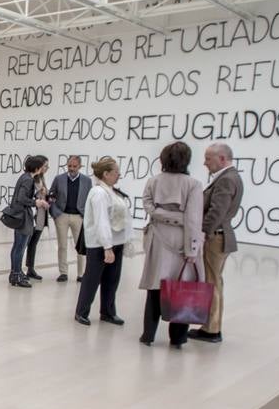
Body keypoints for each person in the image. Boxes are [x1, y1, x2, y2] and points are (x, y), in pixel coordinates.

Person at [138, 142, 204, 347]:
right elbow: (193, 220)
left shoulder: (153, 181)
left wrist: (162, 215)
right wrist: (192, 248)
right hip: (182, 240)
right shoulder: (193, 184)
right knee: (181, 288)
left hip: (158, 237)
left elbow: (148, 206)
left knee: (155, 287)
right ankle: (177, 338)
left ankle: (148, 334)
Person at [189, 142, 244, 343]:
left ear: (222, 158)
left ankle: (211, 329)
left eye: (208, 159)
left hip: (215, 238)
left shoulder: (227, 179)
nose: (204, 163)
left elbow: (217, 211)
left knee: (211, 282)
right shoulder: (228, 177)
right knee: (215, 281)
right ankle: (211, 325)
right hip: (219, 235)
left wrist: (202, 232)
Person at [74, 157, 132, 327]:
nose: (119, 175)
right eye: (116, 172)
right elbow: (101, 221)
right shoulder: (99, 193)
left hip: (116, 242)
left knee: (112, 279)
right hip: (101, 244)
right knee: (92, 279)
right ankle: (81, 311)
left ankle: (108, 311)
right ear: (106, 174)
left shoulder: (112, 191)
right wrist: (107, 246)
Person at [49, 155, 91, 282]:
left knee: (80, 247)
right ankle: (63, 272)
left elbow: (90, 199)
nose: (71, 168)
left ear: (80, 166)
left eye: (74, 166)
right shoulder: (59, 179)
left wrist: (86, 215)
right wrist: (55, 212)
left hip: (79, 216)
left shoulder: (86, 181)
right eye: (69, 166)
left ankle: (81, 274)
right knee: (62, 245)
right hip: (62, 215)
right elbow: (51, 195)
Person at [5, 155, 43, 288]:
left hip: (19, 216)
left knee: (17, 247)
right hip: (23, 217)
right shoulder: (28, 180)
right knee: (20, 248)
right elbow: (21, 198)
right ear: (37, 168)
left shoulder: (24, 177)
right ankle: (16, 275)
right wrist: (35, 202)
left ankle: (15, 273)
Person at [26, 155, 50, 281]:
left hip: (40, 215)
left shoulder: (41, 178)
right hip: (34, 215)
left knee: (33, 243)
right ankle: (19, 270)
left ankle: (30, 268)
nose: (46, 168)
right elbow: (30, 197)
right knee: (27, 243)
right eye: (45, 166)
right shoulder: (31, 179)